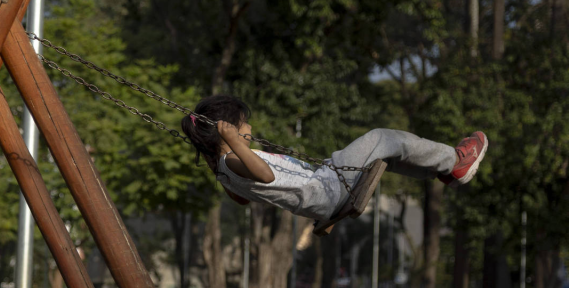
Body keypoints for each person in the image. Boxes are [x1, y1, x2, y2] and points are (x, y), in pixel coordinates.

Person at [180, 95, 488, 222]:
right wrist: (236, 143)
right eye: (244, 124)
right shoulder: (235, 160)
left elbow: (243, 200)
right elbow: (266, 176)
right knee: (382, 137)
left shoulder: (223, 171)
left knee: (385, 156)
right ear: (229, 132)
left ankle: (443, 172)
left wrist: (222, 160)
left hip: (323, 191)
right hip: (327, 188)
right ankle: (454, 161)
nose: (249, 128)